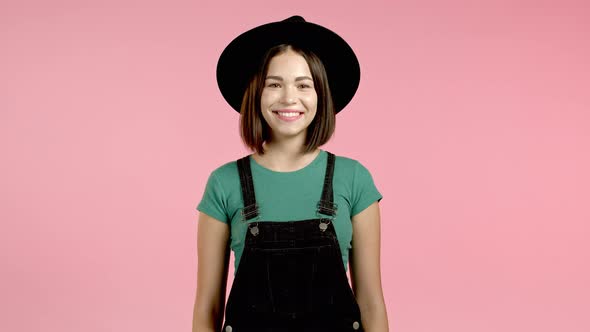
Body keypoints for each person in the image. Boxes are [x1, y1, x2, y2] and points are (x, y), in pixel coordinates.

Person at [193, 15, 388, 332]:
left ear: (320, 95)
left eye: (303, 85)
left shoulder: (354, 179)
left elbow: (371, 302)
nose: (288, 98)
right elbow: (207, 306)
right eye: (274, 84)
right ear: (256, 93)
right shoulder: (223, 183)